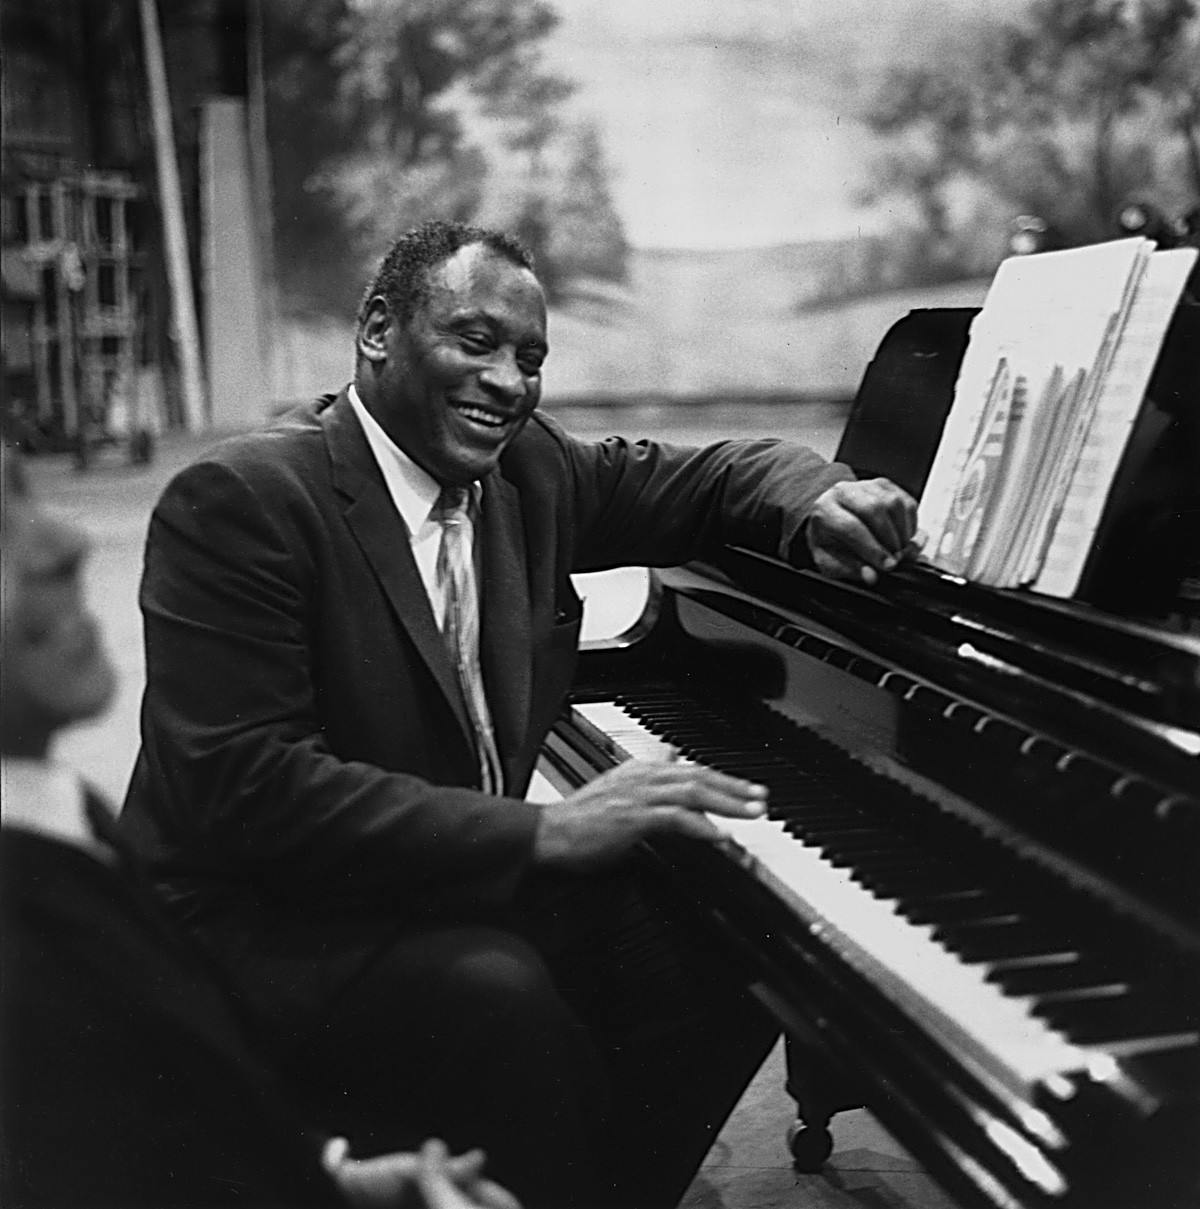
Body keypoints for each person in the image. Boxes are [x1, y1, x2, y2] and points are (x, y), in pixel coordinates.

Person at [120, 220, 919, 1207]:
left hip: (427, 872)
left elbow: (710, 475)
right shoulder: (245, 500)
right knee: (499, 995)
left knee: (739, 931)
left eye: (531, 358)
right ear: (378, 330)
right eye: (476, 340)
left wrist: (821, 500)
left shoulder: (526, 473)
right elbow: (250, 788)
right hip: (255, 917)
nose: (507, 381)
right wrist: (542, 831)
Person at [0, 448, 519, 1209]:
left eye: (23, 492)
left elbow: (152, 1112)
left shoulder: (53, 808)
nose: (66, 542)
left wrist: (337, 1178)